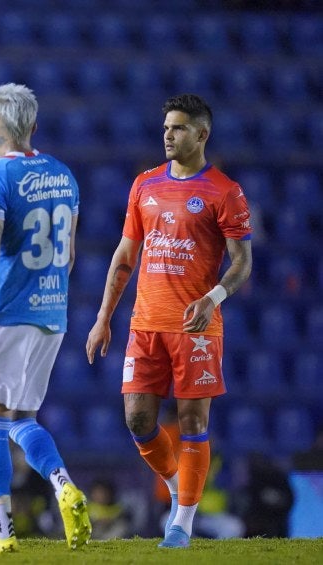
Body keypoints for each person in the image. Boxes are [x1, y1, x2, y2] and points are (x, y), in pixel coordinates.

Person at [85, 93, 253, 549]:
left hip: (197, 327)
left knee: (193, 420)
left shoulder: (224, 191)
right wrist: (103, 317)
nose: (168, 135)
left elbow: (242, 262)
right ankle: (180, 486)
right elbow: (125, 255)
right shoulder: (144, 185)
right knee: (138, 419)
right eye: (165, 128)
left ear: (202, 134)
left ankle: (182, 521)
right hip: (145, 326)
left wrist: (213, 297)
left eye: (178, 128)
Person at [0, 84, 91, 556]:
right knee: (22, 418)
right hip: (52, 313)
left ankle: (0, 533)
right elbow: (69, 256)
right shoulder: (65, 176)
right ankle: (64, 483)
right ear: (33, 126)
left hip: (5, 312)